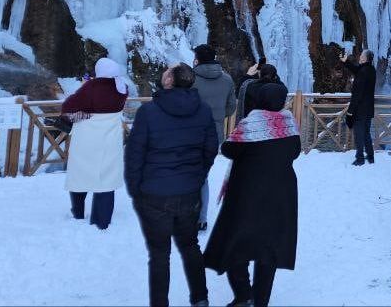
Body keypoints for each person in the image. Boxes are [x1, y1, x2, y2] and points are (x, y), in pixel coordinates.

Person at [125, 64, 219, 307]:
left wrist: (136, 189)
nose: (164, 73)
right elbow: (210, 149)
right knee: (190, 246)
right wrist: (197, 177)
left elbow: (135, 155)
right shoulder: (204, 111)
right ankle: (201, 299)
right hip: (189, 192)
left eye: (167, 71)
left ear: (169, 82)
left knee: (159, 255)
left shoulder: (149, 112)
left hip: (154, 194)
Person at [204, 82, 301, 307]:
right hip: (280, 195)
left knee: (236, 243)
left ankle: (243, 294)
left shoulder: (250, 125)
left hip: (247, 194)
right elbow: (295, 152)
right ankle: (260, 301)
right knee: (269, 249)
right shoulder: (289, 125)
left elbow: (228, 149)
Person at [61, 57, 129, 230]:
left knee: (80, 175)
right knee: (106, 179)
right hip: (110, 139)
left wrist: (84, 90)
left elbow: (68, 106)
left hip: (87, 138)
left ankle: (78, 214)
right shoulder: (122, 87)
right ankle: (102, 220)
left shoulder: (92, 87)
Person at [193, 44, 237, 232]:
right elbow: (231, 108)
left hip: (189, 132)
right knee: (202, 177)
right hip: (214, 133)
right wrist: (217, 116)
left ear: (197, 59)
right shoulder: (227, 80)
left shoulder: (190, 78)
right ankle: (201, 218)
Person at [345, 49, 377, 166]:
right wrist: (346, 62)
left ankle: (360, 158)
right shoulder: (370, 69)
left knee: (359, 133)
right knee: (366, 132)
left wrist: (350, 111)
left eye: (361, 54)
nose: (359, 56)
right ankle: (370, 156)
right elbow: (357, 70)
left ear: (364, 58)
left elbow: (357, 94)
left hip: (360, 109)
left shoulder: (363, 72)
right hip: (368, 109)